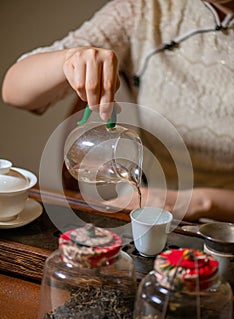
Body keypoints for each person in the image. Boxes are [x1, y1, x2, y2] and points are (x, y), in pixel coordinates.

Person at [2, 0, 234, 223]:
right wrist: (69, 58)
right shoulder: (143, 10)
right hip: (147, 199)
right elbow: (15, 93)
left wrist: (197, 202)